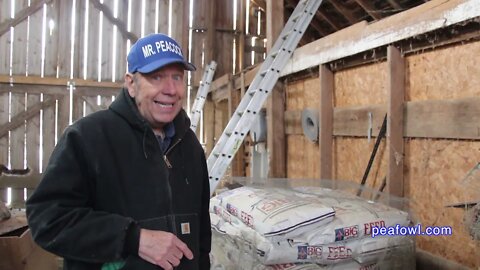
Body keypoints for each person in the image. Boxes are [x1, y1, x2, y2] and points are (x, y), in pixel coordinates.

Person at [26, 33, 211, 270]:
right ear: (131, 84)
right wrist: (132, 239)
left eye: (177, 77)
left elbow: (202, 239)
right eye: (156, 77)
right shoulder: (88, 137)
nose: (171, 89)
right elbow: (47, 218)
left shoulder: (190, 146)